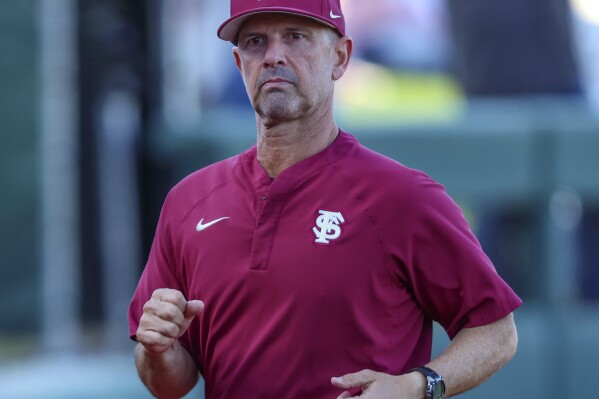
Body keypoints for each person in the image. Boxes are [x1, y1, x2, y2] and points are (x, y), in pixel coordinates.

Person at [128, 0, 522, 398]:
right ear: (238, 63)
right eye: (255, 41)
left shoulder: (401, 198)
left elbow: (496, 332)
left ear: (340, 57)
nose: (273, 56)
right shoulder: (189, 201)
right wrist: (157, 350)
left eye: (295, 37)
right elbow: (172, 383)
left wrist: (417, 386)